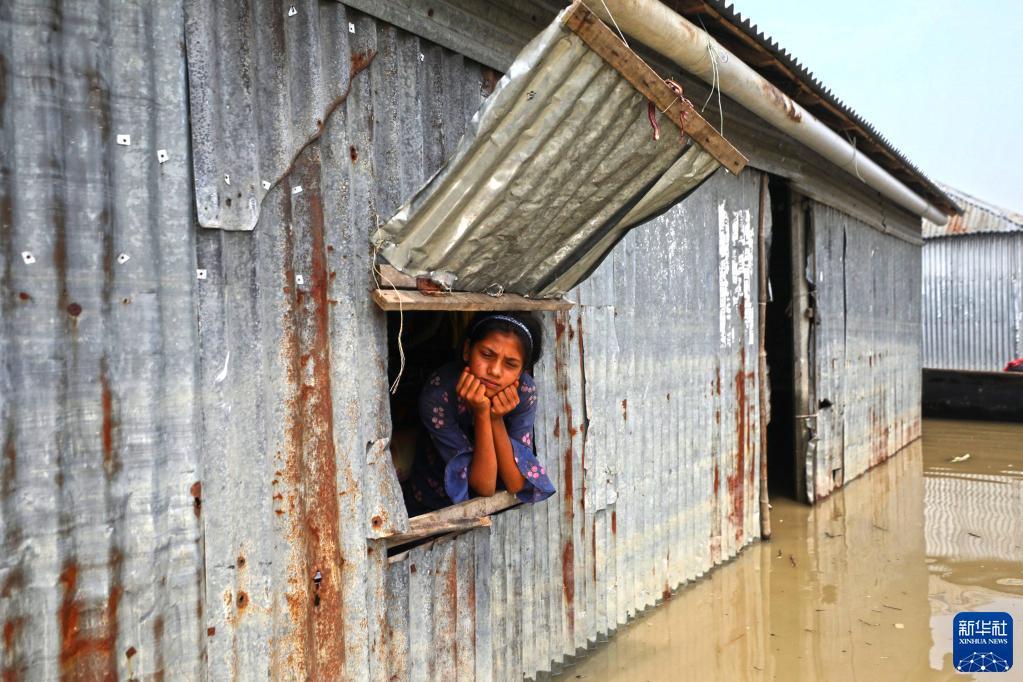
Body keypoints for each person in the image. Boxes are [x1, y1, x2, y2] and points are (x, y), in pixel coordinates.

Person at [402, 312, 556, 515]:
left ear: (522, 371)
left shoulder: (524, 392)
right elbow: (485, 487)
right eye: (487, 354)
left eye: (510, 364)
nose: (495, 371)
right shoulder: (438, 394)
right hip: (437, 499)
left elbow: (516, 483)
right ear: (467, 350)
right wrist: (482, 413)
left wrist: (495, 418)